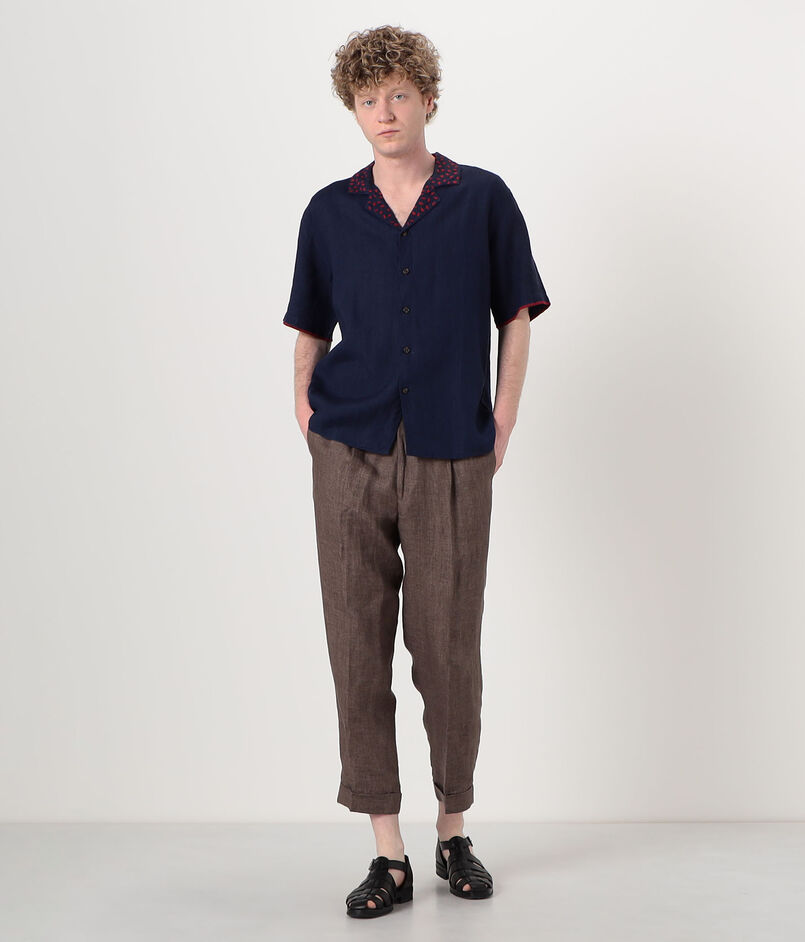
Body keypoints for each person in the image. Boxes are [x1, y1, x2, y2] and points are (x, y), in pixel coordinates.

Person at [282, 24, 551, 918]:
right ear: (353, 111)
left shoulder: (482, 200)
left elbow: (516, 314)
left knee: (447, 652)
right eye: (367, 99)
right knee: (356, 648)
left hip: (451, 451)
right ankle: (387, 853)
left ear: (427, 98)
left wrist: (502, 417)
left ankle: (453, 831)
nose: (384, 112)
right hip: (348, 448)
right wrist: (304, 408)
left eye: (397, 94)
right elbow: (309, 322)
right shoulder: (329, 212)